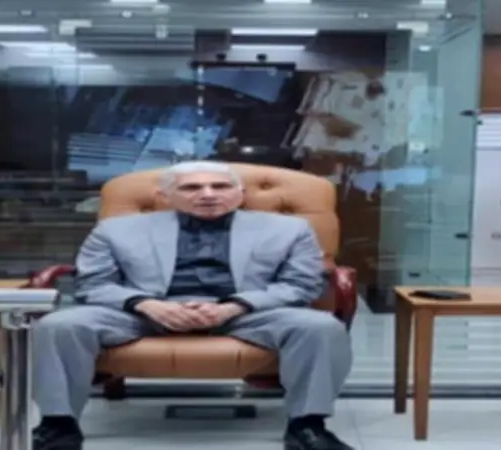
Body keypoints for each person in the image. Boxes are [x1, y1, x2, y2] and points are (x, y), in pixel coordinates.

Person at [30, 161, 354, 450]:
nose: (208, 194)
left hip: (248, 312)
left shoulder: (290, 229)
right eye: (191, 188)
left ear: (240, 192)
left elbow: (301, 284)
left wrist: (233, 306)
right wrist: (147, 305)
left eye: (220, 186)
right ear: (166, 196)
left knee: (320, 327)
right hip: (143, 311)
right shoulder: (115, 230)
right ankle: (59, 425)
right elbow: (92, 284)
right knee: (60, 326)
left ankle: (307, 426)